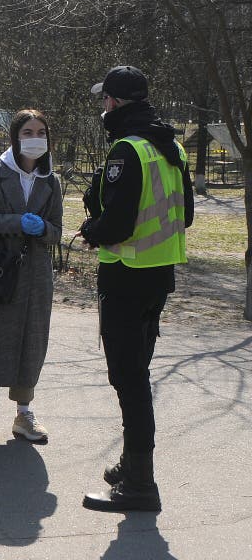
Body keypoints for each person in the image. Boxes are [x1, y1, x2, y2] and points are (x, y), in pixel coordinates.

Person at [80, 65, 194, 511]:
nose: (103, 108)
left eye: (106, 100)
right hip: (158, 276)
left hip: (126, 276)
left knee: (129, 379)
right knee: (135, 374)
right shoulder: (171, 147)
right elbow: (183, 217)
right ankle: (132, 463)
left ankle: (141, 485)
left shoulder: (127, 150)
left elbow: (118, 225)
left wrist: (91, 229)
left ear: (117, 103)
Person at [0, 109, 63, 448]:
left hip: (35, 277)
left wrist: (42, 229)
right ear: (15, 138)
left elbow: (56, 231)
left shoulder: (52, 180)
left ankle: (24, 414)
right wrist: (17, 222)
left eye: (41, 132)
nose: (35, 139)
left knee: (30, 345)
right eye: (28, 132)